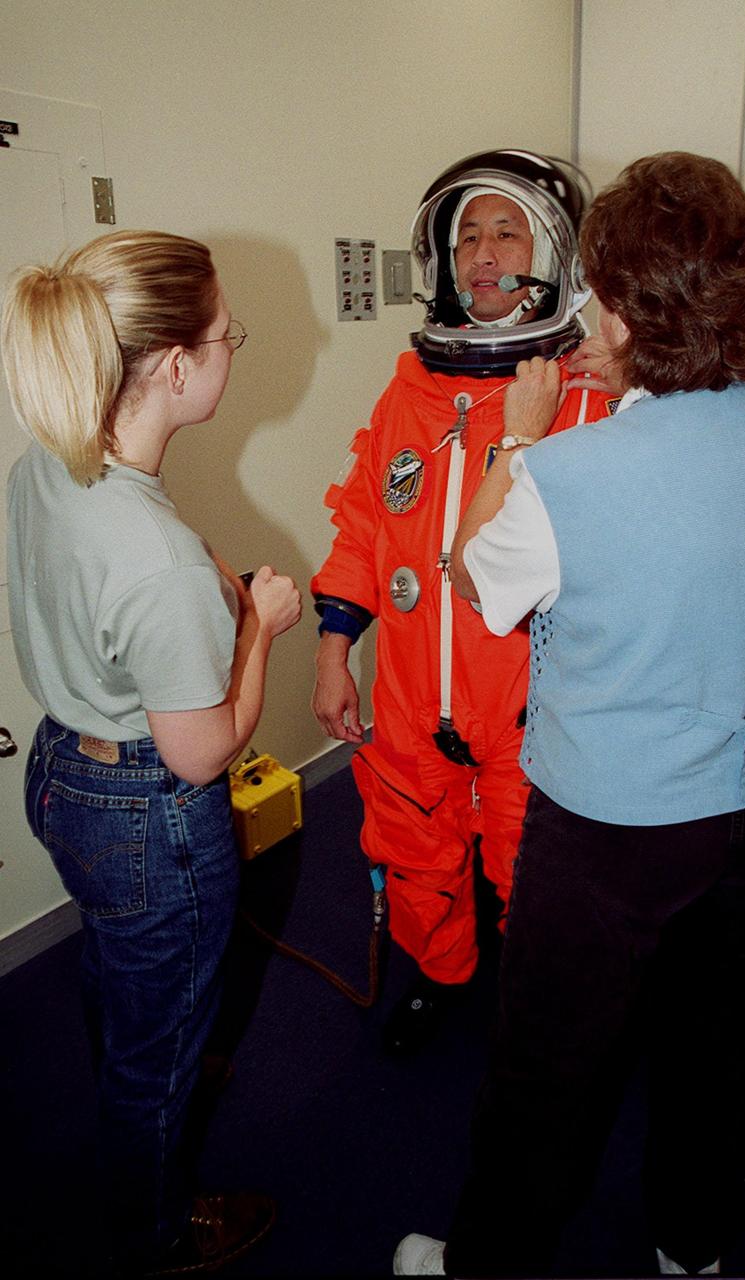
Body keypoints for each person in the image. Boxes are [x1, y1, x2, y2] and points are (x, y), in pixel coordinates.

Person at [393, 151, 745, 1276]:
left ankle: (488, 1259)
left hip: (614, 830)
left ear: (619, 305)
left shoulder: (564, 476)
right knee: (725, 1041)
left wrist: (521, 433)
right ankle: (693, 1240)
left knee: (548, 1064)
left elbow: (468, 577)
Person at [1, 229, 302, 1276]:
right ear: (176, 365)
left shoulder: (48, 460)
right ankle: (158, 1234)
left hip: (60, 775)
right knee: (164, 1044)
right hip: (145, 814)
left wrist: (214, 581)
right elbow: (205, 753)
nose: (236, 347)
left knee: (120, 975)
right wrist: (258, 624)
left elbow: (140, 558)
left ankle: (133, 1070)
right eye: (229, 334)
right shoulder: (160, 562)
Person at [311, 150, 617, 1055]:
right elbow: (366, 523)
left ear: (550, 256)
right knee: (415, 853)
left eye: (505, 232)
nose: (482, 254)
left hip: (533, 706)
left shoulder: (586, 397)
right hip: (412, 697)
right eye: (467, 237)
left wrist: (635, 375)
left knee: (539, 872)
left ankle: (537, 1006)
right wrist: (333, 648)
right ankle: (441, 975)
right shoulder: (409, 392)